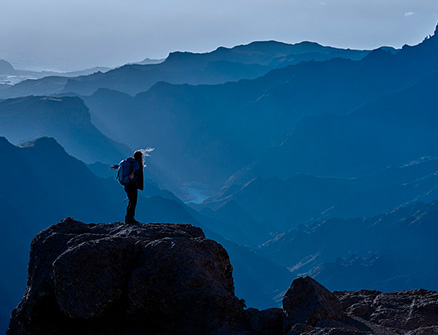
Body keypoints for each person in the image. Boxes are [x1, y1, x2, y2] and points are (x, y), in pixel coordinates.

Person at [111, 151, 144, 224]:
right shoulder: (136, 164)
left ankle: (128, 218)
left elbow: (121, 166)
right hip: (132, 185)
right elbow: (135, 173)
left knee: (131, 202)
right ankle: (130, 219)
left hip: (127, 185)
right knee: (133, 202)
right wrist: (133, 177)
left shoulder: (129, 161)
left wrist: (116, 166)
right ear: (140, 157)